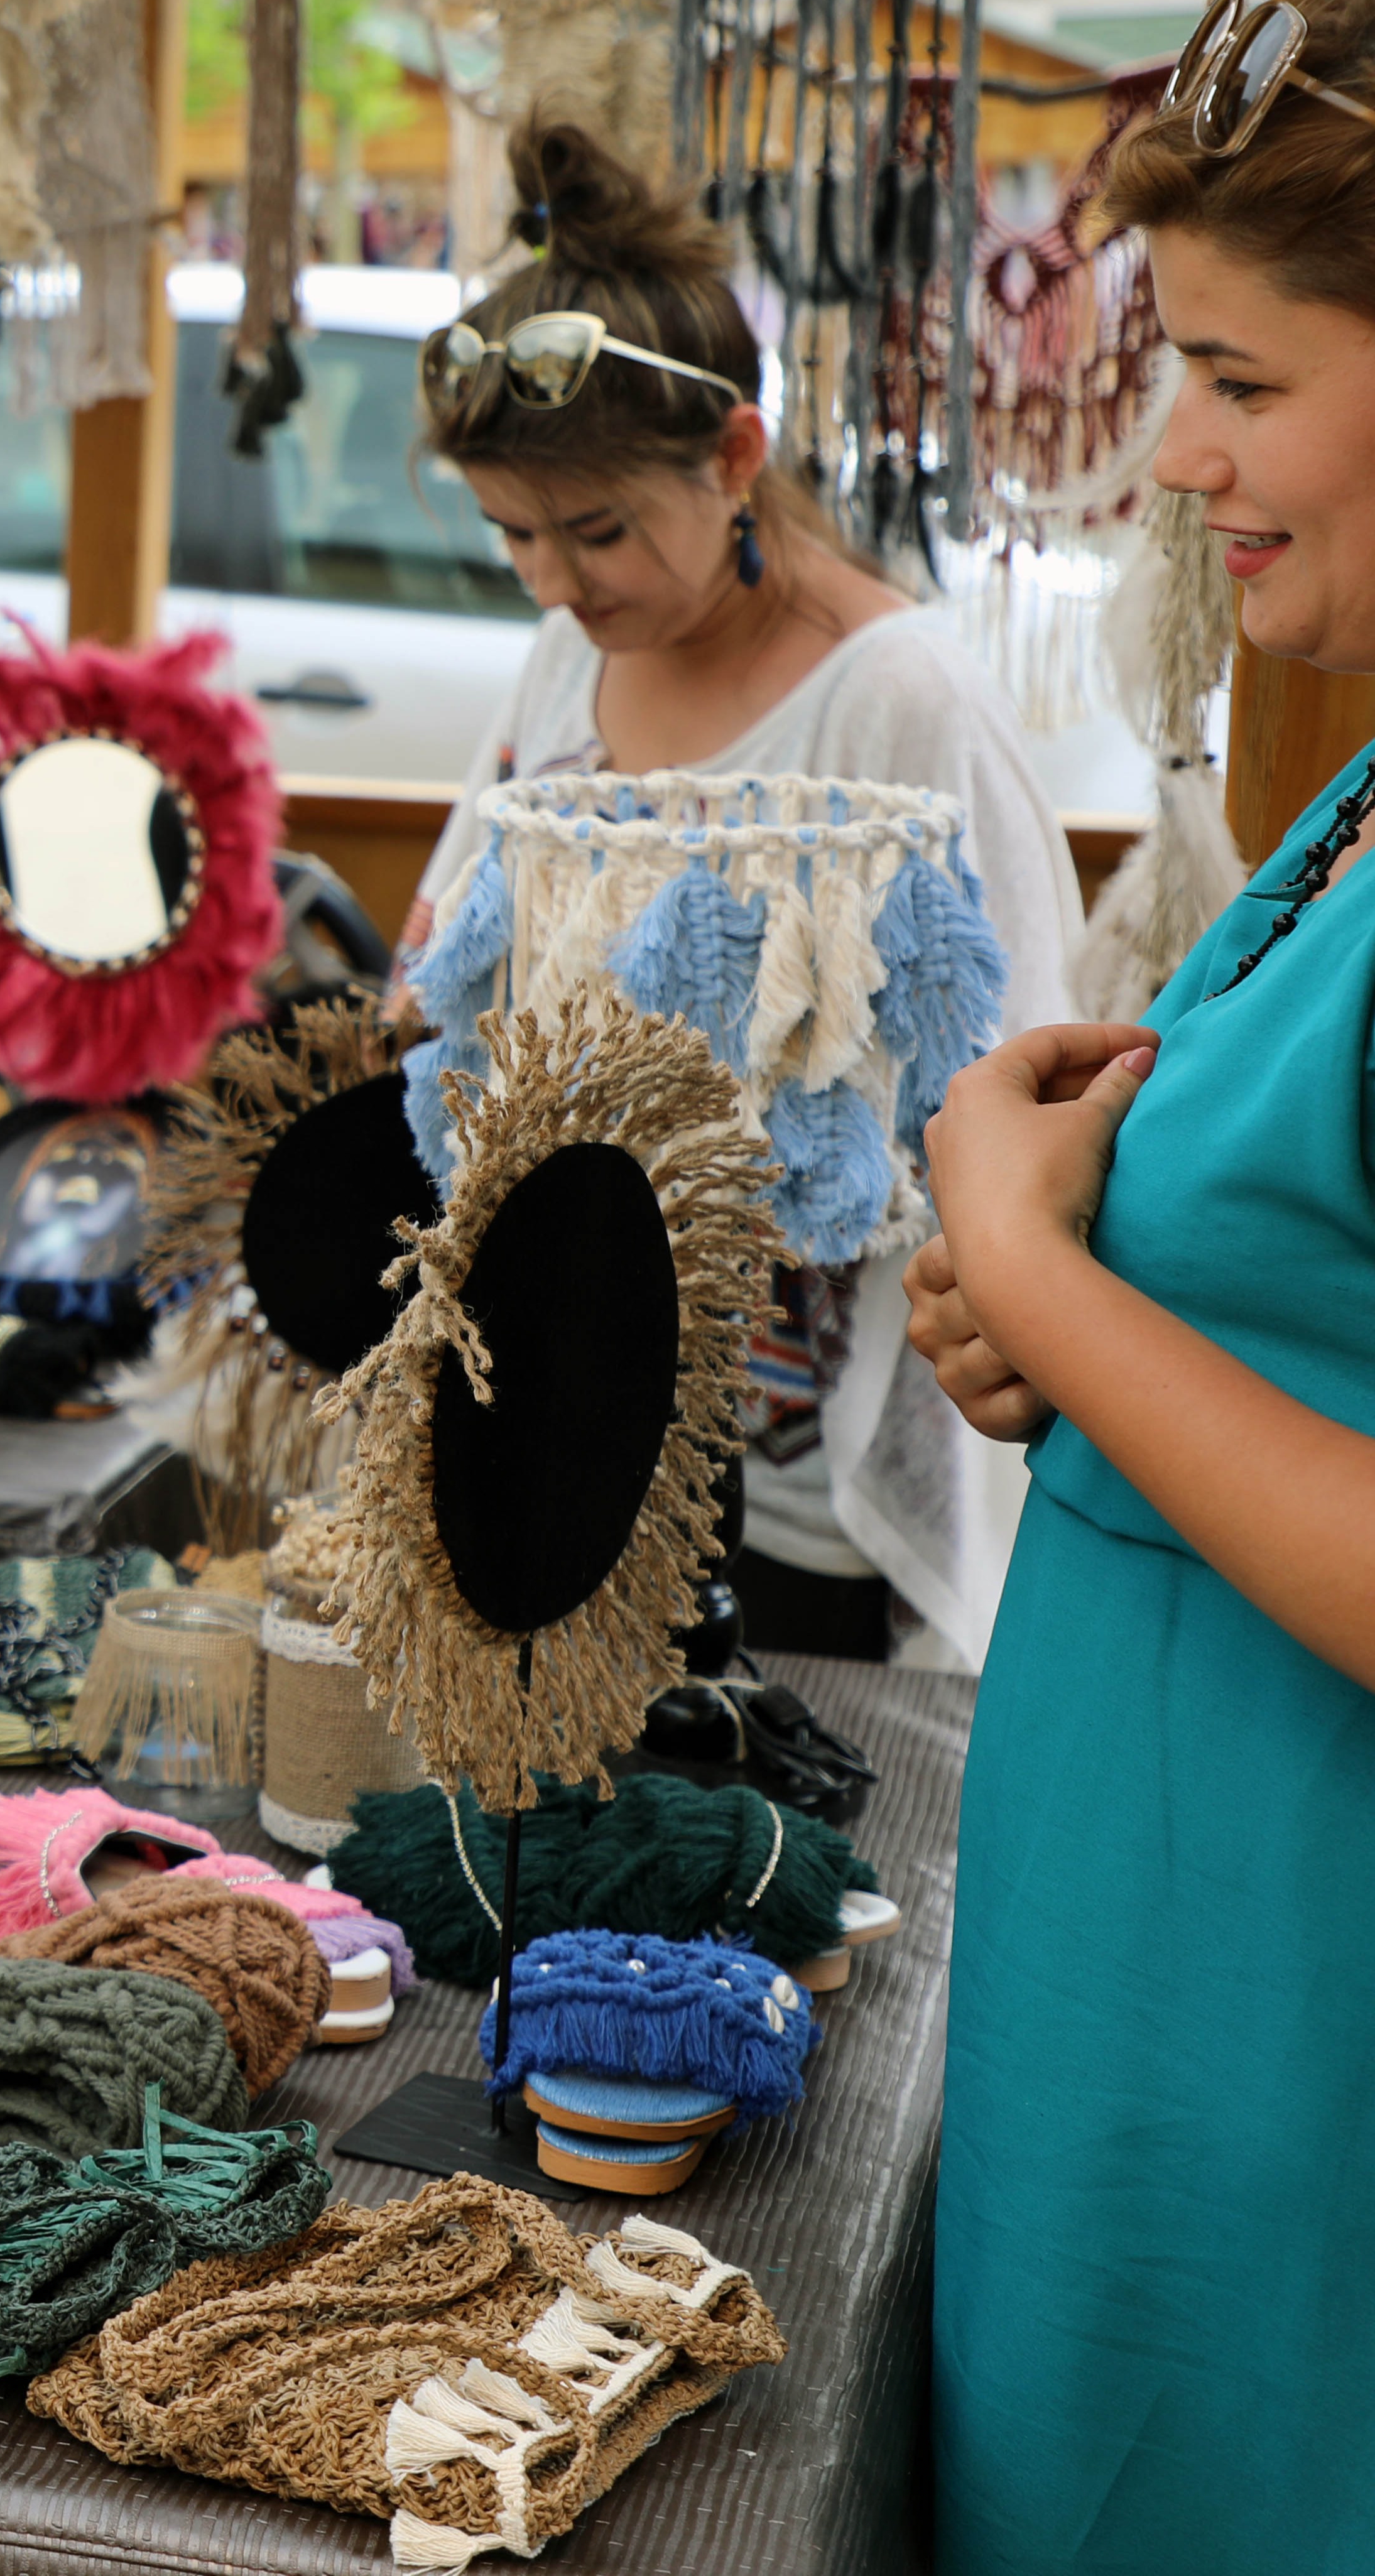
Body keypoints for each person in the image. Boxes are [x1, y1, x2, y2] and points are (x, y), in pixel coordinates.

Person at [912, 0, 1375, 2556]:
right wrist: (1053, 1315)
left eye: (1241, 377)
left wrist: (1034, 1261)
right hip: (1162, 2018)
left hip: (1305, 2073)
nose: (1177, 454)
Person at [401, 124, 1082, 1668]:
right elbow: (455, 935)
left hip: (804, 1463)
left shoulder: (898, 703)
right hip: (579, 1380)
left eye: (598, 530)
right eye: (515, 535)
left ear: (733, 461)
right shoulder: (576, 646)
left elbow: (1011, 1062)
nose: (559, 582)